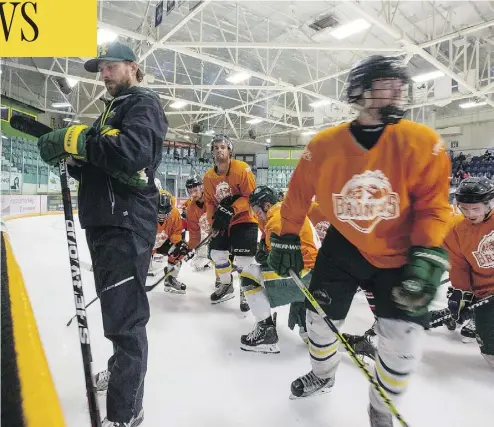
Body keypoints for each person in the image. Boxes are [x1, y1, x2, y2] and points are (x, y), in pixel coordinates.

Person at [267, 55, 452, 425]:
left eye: (401, 85)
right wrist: (287, 235)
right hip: (345, 245)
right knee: (317, 321)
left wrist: (429, 250)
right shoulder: (323, 146)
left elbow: (433, 205)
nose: (399, 91)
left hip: (401, 251)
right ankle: (323, 375)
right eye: (388, 83)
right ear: (361, 91)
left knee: (403, 342)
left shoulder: (422, 142)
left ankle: (381, 410)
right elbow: (298, 195)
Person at [37, 41, 168, 427]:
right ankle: (121, 372)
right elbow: (105, 167)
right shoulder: (110, 111)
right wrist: (74, 160)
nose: (103, 74)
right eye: (100, 69)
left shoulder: (141, 103)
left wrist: (79, 141)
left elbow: (133, 154)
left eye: (110, 66)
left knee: (126, 321)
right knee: (116, 312)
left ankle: (127, 411)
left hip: (125, 225)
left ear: (132, 66)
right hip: (108, 222)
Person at [239, 186, 317, 353]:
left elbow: (276, 262)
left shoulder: (276, 220)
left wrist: (265, 254)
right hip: (314, 272)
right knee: (315, 339)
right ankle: (307, 327)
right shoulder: (283, 212)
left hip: (304, 275)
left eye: (256, 209)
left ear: (266, 205)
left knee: (248, 274)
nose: (256, 214)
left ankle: (266, 333)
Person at [437, 178, 494, 368]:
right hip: (485, 291)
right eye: (464, 209)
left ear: (488, 205)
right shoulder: (456, 231)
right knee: (489, 347)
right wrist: (462, 292)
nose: (469, 214)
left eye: (475, 209)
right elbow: (459, 266)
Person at [202, 134, 257, 312]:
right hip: (224, 221)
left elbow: (251, 196)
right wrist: (213, 222)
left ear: (230, 150)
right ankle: (226, 285)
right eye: (216, 147)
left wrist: (232, 209)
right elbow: (210, 201)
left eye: (223, 147)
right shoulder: (208, 177)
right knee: (217, 254)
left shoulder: (242, 169)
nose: (219, 150)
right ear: (212, 152)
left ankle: (245, 290)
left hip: (245, 219)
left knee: (242, 260)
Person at [153, 191, 189, 293]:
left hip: (164, 241)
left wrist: (178, 244)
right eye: (159, 213)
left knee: (180, 250)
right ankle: (136, 281)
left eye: (164, 214)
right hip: (148, 242)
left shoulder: (175, 213)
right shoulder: (147, 211)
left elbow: (176, 232)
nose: (161, 217)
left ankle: (170, 278)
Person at [185, 175, 212, 272]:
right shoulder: (190, 208)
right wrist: (191, 248)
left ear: (202, 187)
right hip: (209, 232)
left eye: (195, 190)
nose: (193, 194)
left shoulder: (212, 198)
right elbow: (194, 232)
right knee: (203, 235)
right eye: (190, 192)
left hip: (223, 230)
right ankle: (203, 257)